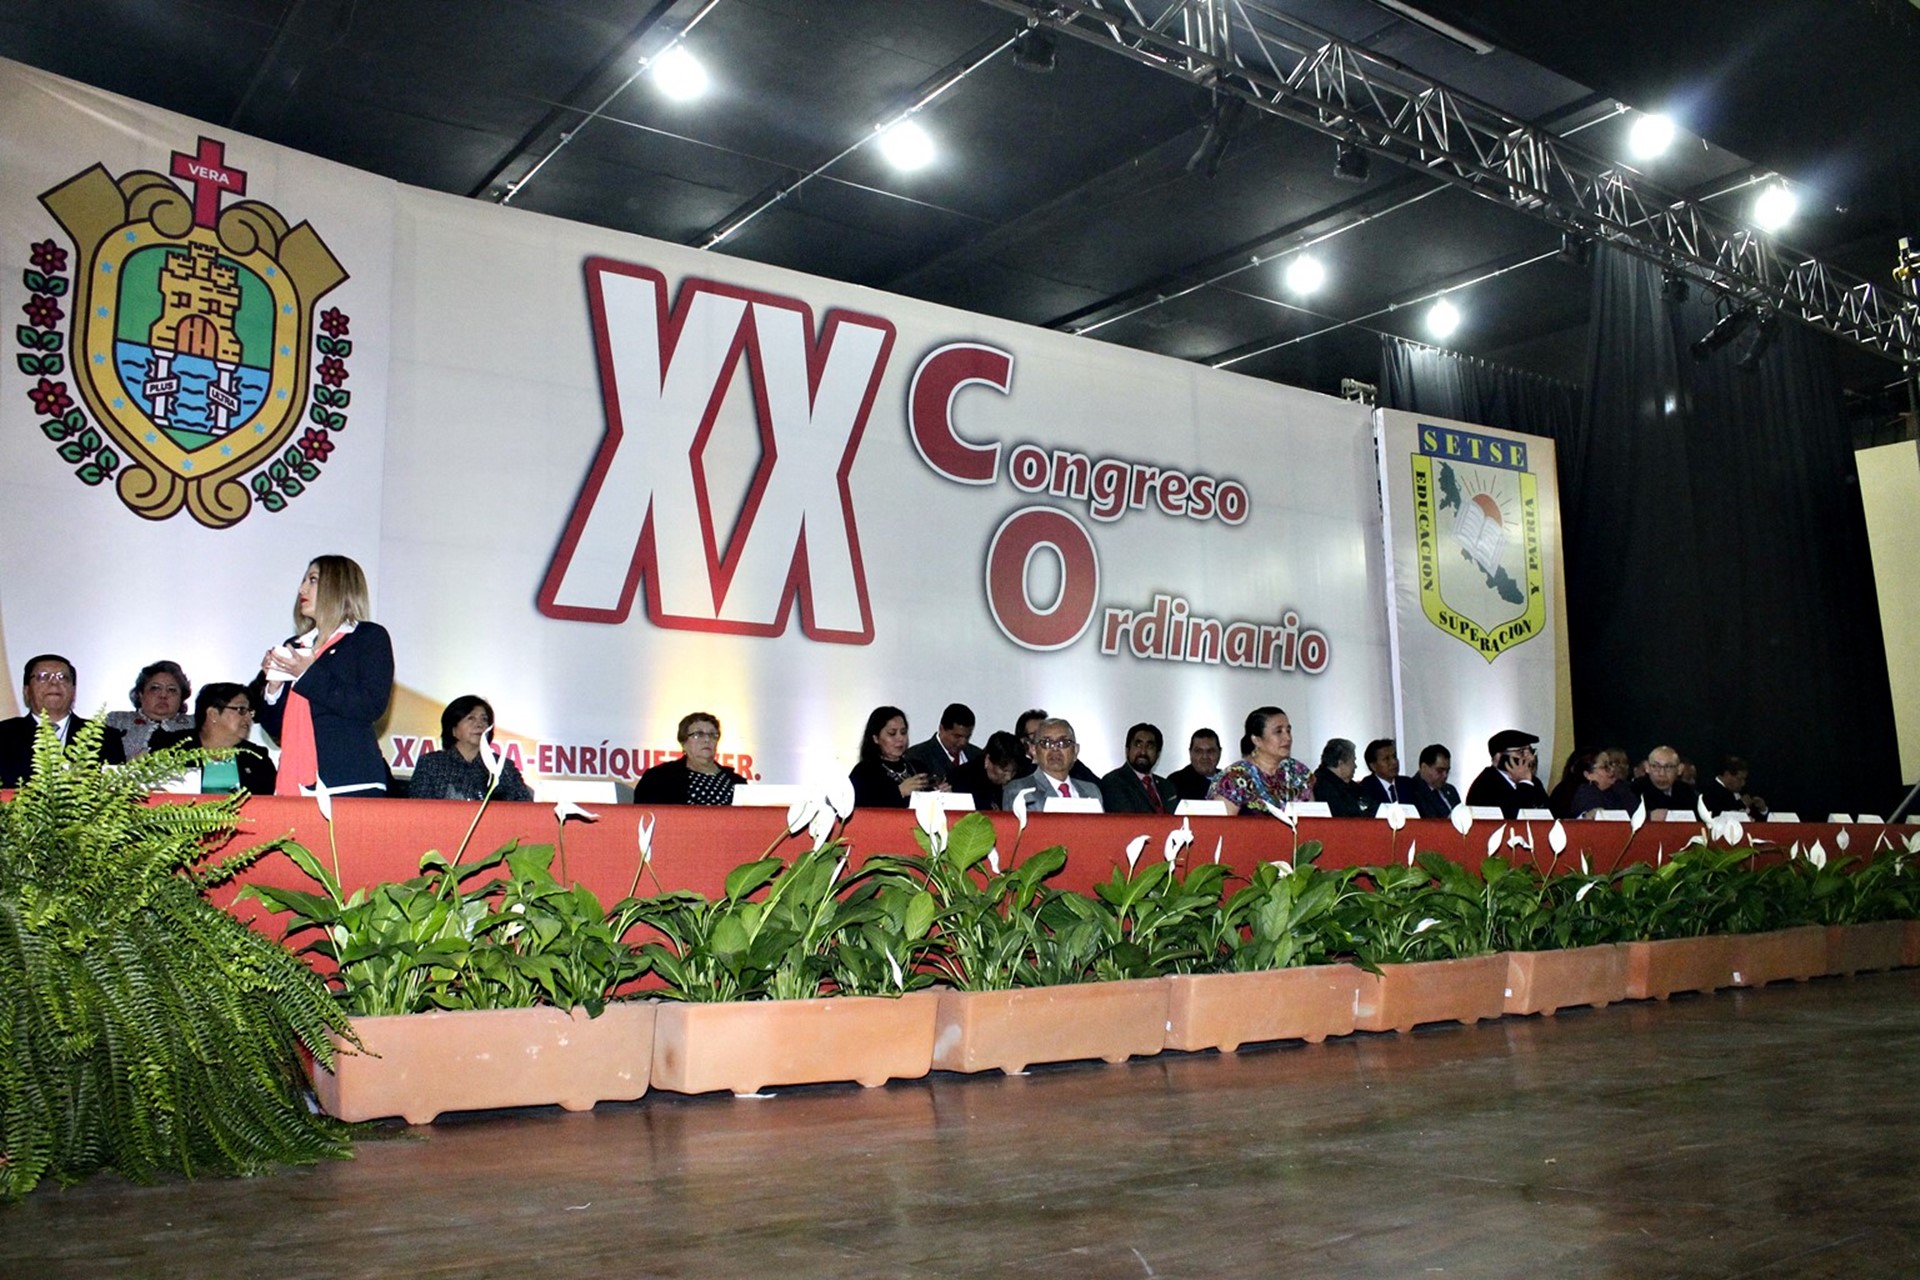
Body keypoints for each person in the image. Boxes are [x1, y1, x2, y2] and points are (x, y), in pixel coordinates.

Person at [253, 555, 394, 797]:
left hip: (349, 780)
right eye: (303, 580)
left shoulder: (368, 637)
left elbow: (370, 705)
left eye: (313, 580)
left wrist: (307, 674)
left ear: (338, 585)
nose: (302, 589)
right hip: (294, 784)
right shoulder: (295, 645)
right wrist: (273, 689)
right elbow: (277, 729)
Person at [0, 653, 127, 786]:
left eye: (63, 677)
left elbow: (116, 791)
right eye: (43, 677)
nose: (54, 683)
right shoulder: (3, 735)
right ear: (26, 691)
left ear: (73, 691)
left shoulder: (105, 738)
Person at [149, 682, 276, 795]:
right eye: (241, 709)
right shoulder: (171, 748)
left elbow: (268, 805)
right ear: (213, 714)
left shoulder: (257, 758)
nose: (248, 717)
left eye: (250, 712)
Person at [407, 695, 534, 802]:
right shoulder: (431, 764)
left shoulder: (503, 768)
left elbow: (525, 809)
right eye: (471, 718)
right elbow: (419, 810)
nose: (480, 724)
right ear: (453, 729)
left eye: (484, 719)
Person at [1209, 706, 1312, 816]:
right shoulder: (1235, 778)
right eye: (1278, 731)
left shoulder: (1297, 772)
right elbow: (1221, 824)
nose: (1287, 738)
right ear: (1257, 740)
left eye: (1288, 730)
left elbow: (1313, 819)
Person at [633, 712, 746, 805]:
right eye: (698, 734)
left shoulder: (736, 781)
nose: (707, 739)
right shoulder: (660, 777)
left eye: (712, 735)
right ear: (684, 743)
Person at [849, 706, 939, 808]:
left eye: (903, 732)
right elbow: (861, 808)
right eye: (892, 733)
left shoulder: (917, 767)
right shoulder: (864, 772)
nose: (900, 738)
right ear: (876, 738)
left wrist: (940, 794)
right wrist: (899, 792)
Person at [1003, 717, 1102, 809]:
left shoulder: (1091, 791)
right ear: (1034, 751)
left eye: (1063, 743)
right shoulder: (1019, 790)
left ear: (1075, 751)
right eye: (1046, 743)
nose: (1055, 749)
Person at [103, 660, 194, 759]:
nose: (163, 695)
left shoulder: (196, 724)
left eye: (171, 690)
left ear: (181, 697)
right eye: (155, 688)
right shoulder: (117, 721)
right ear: (140, 694)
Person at [1464, 729, 1550, 819]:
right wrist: (1524, 784)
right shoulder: (1484, 786)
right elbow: (1512, 817)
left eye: (1531, 751)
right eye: (1521, 752)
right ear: (1498, 757)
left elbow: (1548, 813)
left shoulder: (1533, 781)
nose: (1530, 758)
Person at [1099, 722, 1179, 814]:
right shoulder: (1113, 782)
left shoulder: (1168, 786)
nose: (1143, 752)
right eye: (1138, 745)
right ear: (1127, 750)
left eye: (1149, 746)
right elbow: (1127, 818)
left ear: (1157, 754)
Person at [904, 702, 980, 784]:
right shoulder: (916, 757)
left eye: (967, 737)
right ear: (942, 729)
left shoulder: (978, 756)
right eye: (957, 736)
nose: (963, 742)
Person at [950, 730, 1025, 811]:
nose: (1009, 777)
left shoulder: (1021, 776)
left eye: (1013, 772)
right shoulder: (961, 781)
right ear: (987, 760)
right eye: (1004, 771)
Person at [1633, 744, 1699, 820]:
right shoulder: (1634, 790)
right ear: (1647, 767)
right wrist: (1647, 817)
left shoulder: (1687, 792)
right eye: (1655, 766)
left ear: (1679, 769)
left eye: (1669, 767)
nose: (1662, 773)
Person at [1567, 748, 1637, 818]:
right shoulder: (1586, 792)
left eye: (1611, 764)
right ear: (1588, 775)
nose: (1612, 769)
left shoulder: (1619, 788)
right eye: (1605, 767)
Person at [1311, 738, 1372, 818]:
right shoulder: (1321, 786)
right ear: (1341, 764)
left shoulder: (1352, 786)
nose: (1355, 766)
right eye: (1353, 761)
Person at [1701, 755, 1769, 821]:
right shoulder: (1710, 792)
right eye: (1740, 779)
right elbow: (1716, 817)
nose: (1743, 783)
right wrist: (1741, 804)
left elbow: (1754, 819)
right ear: (1727, 775)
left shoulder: (1742, 791)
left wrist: (1762, 810)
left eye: (1744, 779)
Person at [1166, 728, 1223, 801]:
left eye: (1210, 751)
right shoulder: (1175, 782)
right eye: (1199, 751)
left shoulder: (1230, 781)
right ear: (1190, 753)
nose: (1205, 757)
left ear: (1219, 752)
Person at [1357, 738, 1416, 810]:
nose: (1394, 762)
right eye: (1386, 759)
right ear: (1373, 766)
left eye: (1394, 756)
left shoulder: (1408, 784)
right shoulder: (1365, 789)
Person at [1407, 744, 1461, 819]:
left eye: (1447, 771)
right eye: (1440, 771)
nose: (1445, 775)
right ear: (1424, 767)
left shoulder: (1451, 790)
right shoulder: (1411, 791)